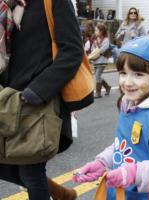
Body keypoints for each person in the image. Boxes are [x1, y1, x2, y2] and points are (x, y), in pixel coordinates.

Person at [72, 36, 149, 199]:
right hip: (126, 193)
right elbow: (125, 145)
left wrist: (134, 173)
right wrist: (102, 163)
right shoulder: (131, 104)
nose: (127, 82)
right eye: (123, 73)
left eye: (138, 74)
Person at [0, 0, 84, 199]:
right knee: (8, 165)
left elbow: (72, 50)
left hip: (36, 101)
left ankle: (60, 194)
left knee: (30, 170)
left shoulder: (54, 2)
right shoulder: (5, 5)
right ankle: (62, 194)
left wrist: (38, 91)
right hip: (5, 99)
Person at [91, 23, 111, 98]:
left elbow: (103, 49)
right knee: (97, 75)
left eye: (97, 30)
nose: (95, 32)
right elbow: (93, 49)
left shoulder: (106, 40)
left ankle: (98, 93)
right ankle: (107, 87)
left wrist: (97, 49)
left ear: (101, 31)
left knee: (97, 75)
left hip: (103, 60)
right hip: (96, 60)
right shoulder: (95, 39)